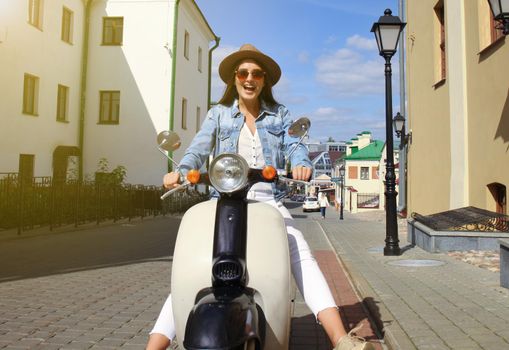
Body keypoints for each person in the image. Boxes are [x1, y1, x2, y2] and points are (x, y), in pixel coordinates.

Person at [146, 44, 373, 350]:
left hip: (269, 200)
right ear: (234, 79)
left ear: (265, 80)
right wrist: (182, 170)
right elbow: (199, 148)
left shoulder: (279, 115)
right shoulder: (219, 114)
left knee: (299, 250)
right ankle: (153, 346)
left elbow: (295, 145)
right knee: (195, 267)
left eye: (256, 73)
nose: (249, 78)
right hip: (224, 201)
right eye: (243, 73)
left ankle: (339, 338)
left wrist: (302, 164)